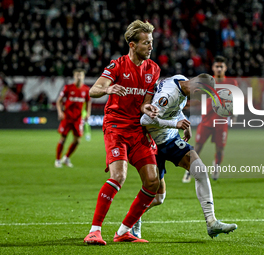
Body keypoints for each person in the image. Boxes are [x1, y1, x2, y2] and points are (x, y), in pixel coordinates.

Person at [83, 20, 161, 245]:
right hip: (116, 127)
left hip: (137, 129)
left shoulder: (153, 69)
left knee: (152, 182)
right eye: (146, 43)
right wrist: (108, 88)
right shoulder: (117, 66)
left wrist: (148, 108)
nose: (150, 46)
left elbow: (144, 104)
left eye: (152, 42)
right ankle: (95, 230)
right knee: (119, 176)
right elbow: (93, 90)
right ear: (132, 45)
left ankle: (124, 231)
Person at [132, 73, 237, 239]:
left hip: (171, 139)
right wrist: (176, 123)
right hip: (153, 144)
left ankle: (211, 222)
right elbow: (145, 120)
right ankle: (134, 219)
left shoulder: (180, 80)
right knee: (158, 197)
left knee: (200, 171)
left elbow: (176, 109)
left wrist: (184, 122)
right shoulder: (167, 96)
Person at [182, 56, 238, 182]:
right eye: (216, 66)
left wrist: (234, 116)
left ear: (225, 68)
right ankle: (189, 170)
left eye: (221, 66)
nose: (219, 69)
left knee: (220, 149)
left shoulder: (232, 83)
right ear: (213, 68)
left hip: (221, 122)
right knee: (198, 148)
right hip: (206, 120)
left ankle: (216, 167)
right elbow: (198, 96)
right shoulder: (207, 81)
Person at [55, 69, 91, 168]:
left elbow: (88, 102)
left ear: (83, 77)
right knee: (63, 138)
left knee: (77, 140)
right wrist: (60, 112)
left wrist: (88, 113)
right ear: (74, 76)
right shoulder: (68, 87)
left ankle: (66, 158)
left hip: (78, 119)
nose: (79, 77)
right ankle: (58, 160)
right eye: (77, 75)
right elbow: (59, 101)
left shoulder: (86, 89)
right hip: (67, 117)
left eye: (81, 75)